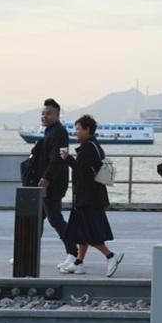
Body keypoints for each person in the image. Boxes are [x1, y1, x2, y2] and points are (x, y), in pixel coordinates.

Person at [58, 114, 123, 276]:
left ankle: (111, 256)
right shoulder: (94, 145)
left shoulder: (88, 147)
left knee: (90, 232)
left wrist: (67, 159)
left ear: (87, 129)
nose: (76, 132)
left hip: (87, 197)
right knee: (81, 232)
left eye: (79, 129)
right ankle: (78, 263)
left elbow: (82, 171)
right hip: (90, 196)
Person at [26, 97, 77, 271]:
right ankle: (28, 252)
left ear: (57, 114)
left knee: (55, 219)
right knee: (37, 218)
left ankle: (73, 253)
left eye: (48, 113)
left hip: (54, 183)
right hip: (46, 182)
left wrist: (46, 178)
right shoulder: (49, 131)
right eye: (43, 113)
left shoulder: (59, 132)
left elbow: (57, 159)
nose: (44, 116)